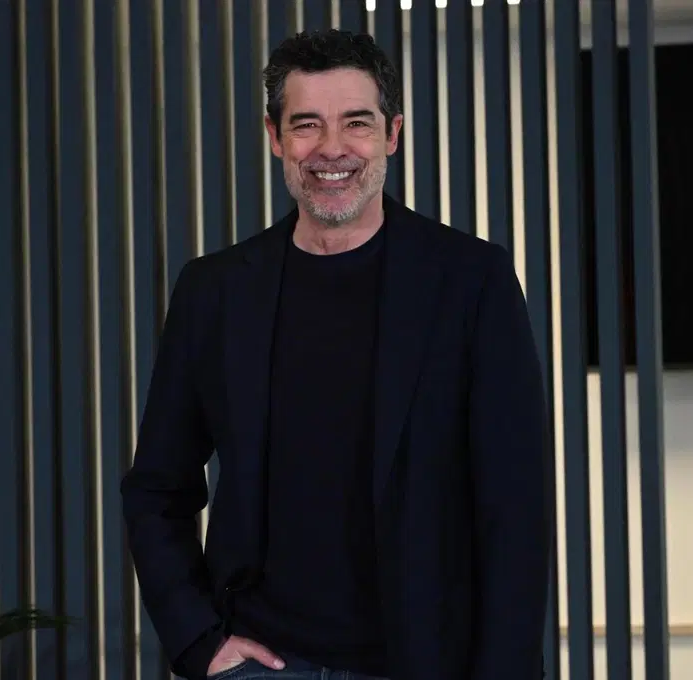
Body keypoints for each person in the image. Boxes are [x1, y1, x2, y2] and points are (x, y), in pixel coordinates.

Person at [121, 29, 553, 680]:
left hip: (427, 664)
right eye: (306, 125)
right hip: (262, 665)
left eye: (356, 122)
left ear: (392, 134)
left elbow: (514, 510)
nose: (331, 148)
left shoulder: (472, 281)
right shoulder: (215, 291)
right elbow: (156, 487)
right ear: (275, 137)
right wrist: (200, 642)